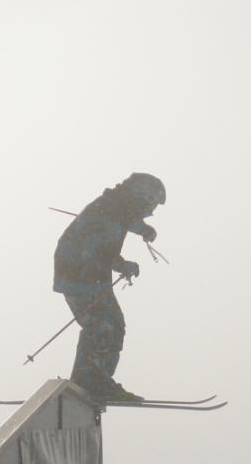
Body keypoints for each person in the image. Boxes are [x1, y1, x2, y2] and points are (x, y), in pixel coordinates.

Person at [52, 172, 166, 403]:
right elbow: (97, 249)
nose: (150, 211)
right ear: (141, 198)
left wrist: (143, 229)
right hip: (81, 275)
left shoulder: (115, 207)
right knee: (104, 325)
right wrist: (122, 264)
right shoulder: (110, 211)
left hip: (85, 275)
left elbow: (125, 220)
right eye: (150, 206)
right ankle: (92, 380)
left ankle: (95, 379)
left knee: (109, 324)